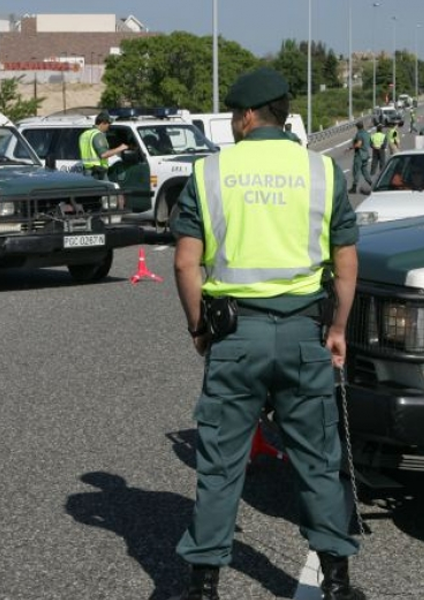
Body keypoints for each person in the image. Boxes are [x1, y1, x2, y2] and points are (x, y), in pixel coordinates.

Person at [170, 66, 365, 600]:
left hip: (236, 338)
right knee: (317, 463)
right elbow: (346, 265)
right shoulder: (323, 173)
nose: (233, 123)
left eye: (235, 115)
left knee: (220, 464)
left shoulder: (210, 172)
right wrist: (339, 329)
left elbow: (187, 265)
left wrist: (198, 330)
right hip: (305, 334)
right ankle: (339, 583)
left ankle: (204, 585)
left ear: (249, 115)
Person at [78, 111, 128, 179]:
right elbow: (104, 155)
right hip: (97, 172)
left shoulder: (85, 134)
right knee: (107, 188)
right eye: (108, 124)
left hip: (87, 171)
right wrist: (121, 148)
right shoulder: (97, 135)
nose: (109, 126)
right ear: (103, 123)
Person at [348, 120, 372, 194]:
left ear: (357, 127)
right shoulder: (367, 133)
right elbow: (370, 143)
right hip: (366, 155)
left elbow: (358, 144)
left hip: (360, 155)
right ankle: (371, 183)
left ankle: (354, 187)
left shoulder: (359, 134)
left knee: (356, 171)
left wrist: (351, 148)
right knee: (365, 171)